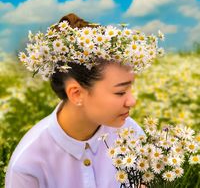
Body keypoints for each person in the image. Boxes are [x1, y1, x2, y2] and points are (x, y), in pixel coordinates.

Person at [5, 13, 163, 188]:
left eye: (130, 88)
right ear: (76, 93)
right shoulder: (28, 164)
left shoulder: (131, 135)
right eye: (120, 92)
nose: (132, 101)